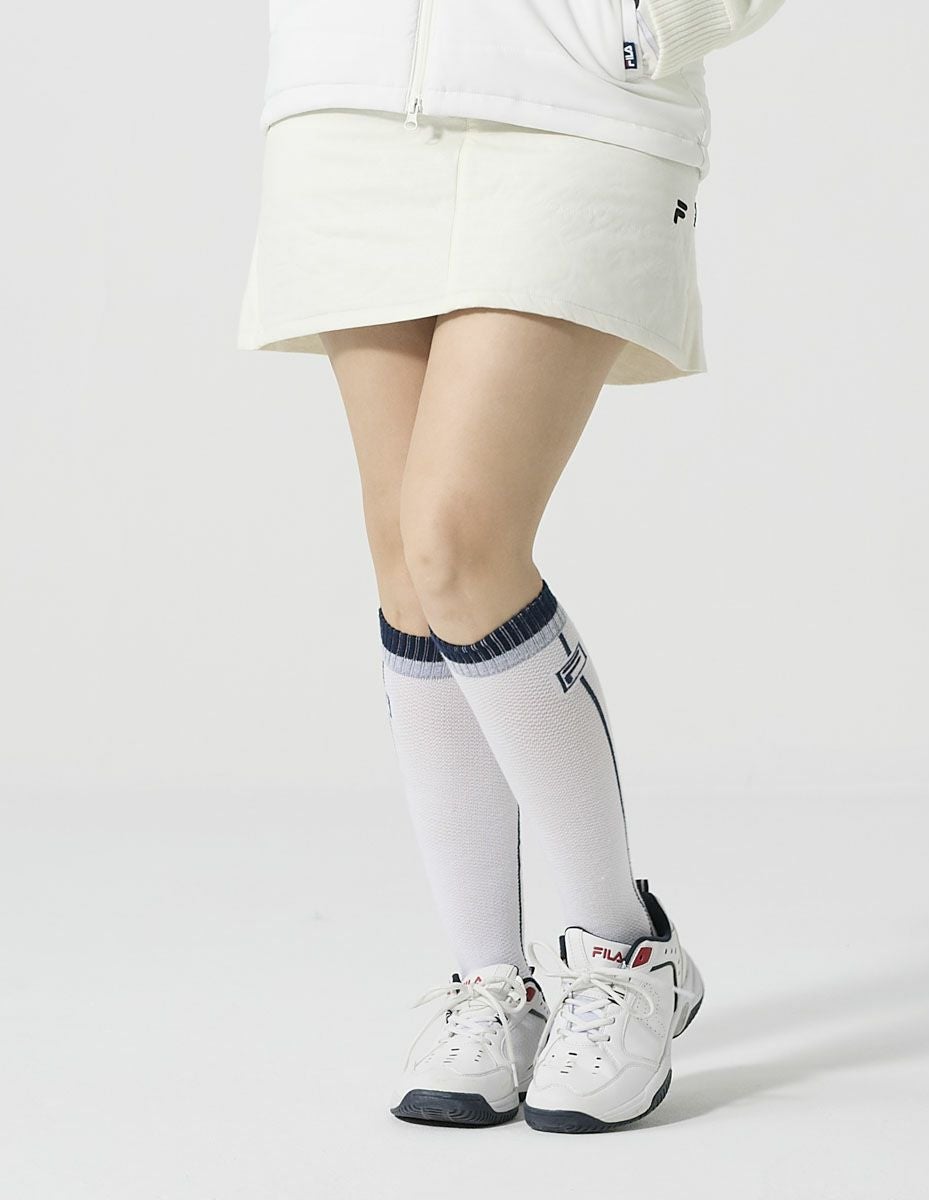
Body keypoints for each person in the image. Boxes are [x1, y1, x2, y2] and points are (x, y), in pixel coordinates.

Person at [237, 0, 786, 1133]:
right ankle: (489, 981)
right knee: (409, 565)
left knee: (459, 539)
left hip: (571, 102)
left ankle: (624, 956)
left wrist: (648, 26)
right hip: (350, 106)